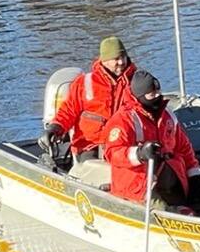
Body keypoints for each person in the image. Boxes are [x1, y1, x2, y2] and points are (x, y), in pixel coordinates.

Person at [103, 71, 200, 209]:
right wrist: (139, 154)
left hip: (170, 177)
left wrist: (194, 176)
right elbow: (112, 153)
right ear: (140, 96)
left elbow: (184, 148)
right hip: (139, 185)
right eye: (152, 94)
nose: (157, 96)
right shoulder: (123, 120)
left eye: (158, 91)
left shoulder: (168, 116)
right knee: (161, 209)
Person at [44, 35, 136, 168]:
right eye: (116, 59)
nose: (121, 62)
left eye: (123, 57)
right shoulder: (84, 82)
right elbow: (69, 110)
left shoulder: (136, 82)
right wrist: (55, 127)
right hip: (88, 145)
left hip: (122, 145)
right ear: (104, 60)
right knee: (90, 172)